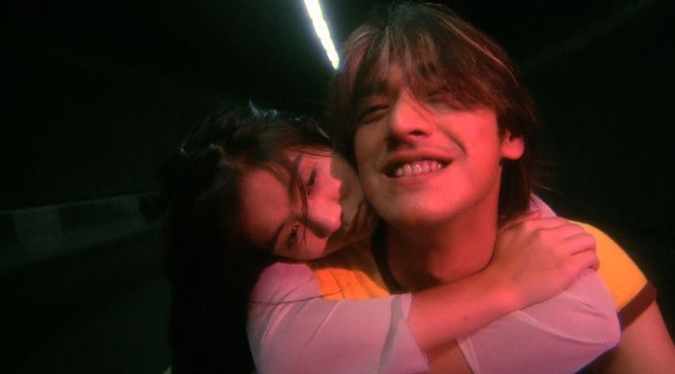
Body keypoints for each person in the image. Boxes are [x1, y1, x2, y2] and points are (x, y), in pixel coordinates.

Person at [159, 102, 620, 374]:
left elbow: (589, 319)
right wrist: (506, 284)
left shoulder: (491, 203)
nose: (330, 220)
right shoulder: (279, 283)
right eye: (294, 234)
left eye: (314, 180)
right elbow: (295, 360)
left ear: (324, 138)